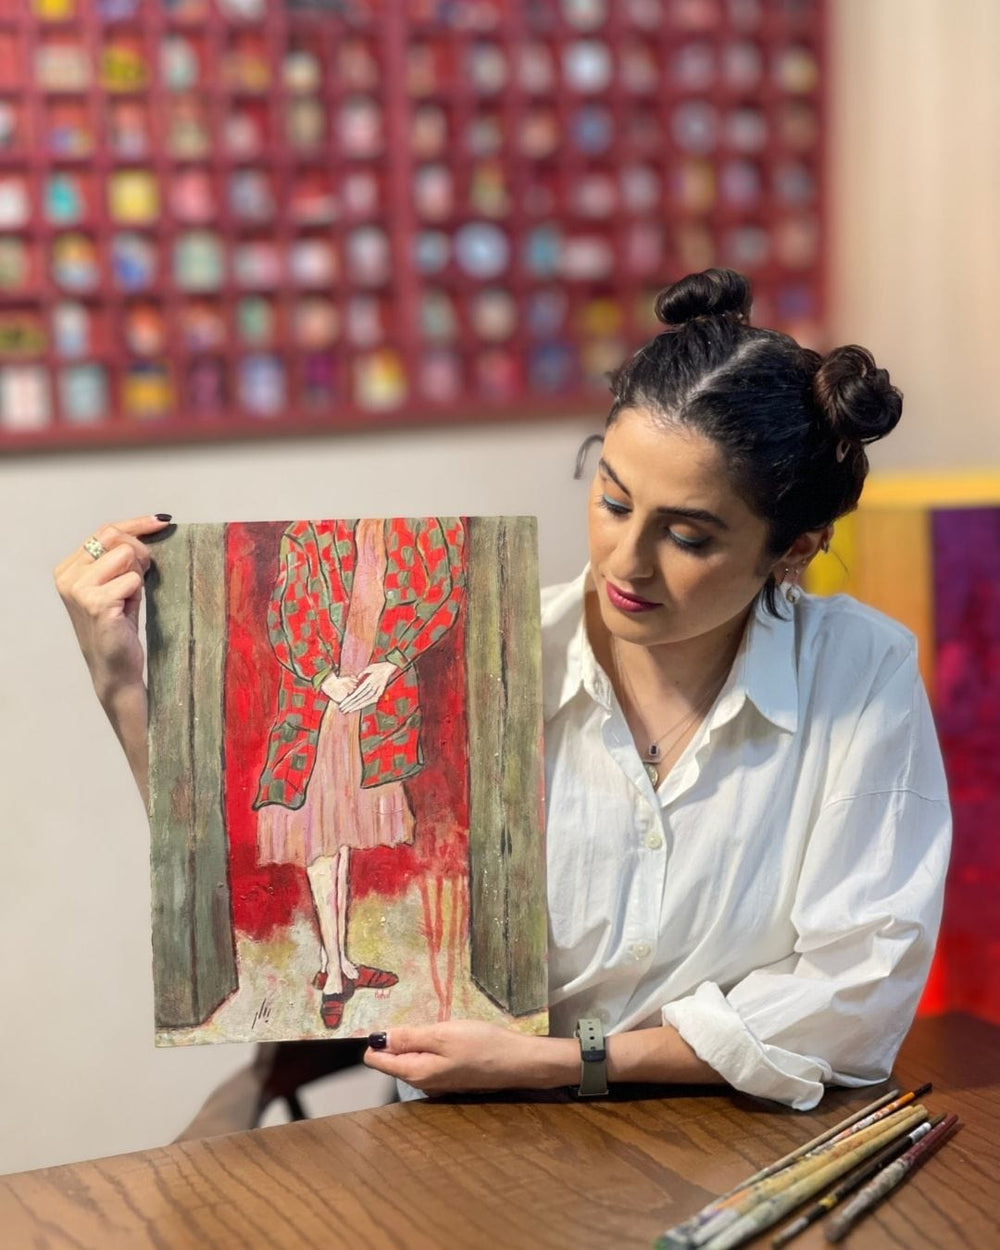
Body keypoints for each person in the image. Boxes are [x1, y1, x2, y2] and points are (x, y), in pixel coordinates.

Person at [55, 268, 949, 1114]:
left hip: (733, 1144)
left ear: (795, 547)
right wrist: (124, 683)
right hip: (472, 1145)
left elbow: (855, 998)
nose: (626, 561)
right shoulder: (483, 658)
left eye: (688, 536)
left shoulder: (857, 676)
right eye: (612, 500)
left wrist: (570, 1061)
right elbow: (263, 874)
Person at [254, 517, 466, 1029]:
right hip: (320, 702)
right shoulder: (307, 531)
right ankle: (331, 973)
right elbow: (286, 616)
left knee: (343, 832)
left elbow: (444, 595)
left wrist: (390, 665)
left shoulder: (427, 526)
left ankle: (340, 960)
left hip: (379, 703)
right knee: (321, 832)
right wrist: (325, 680)